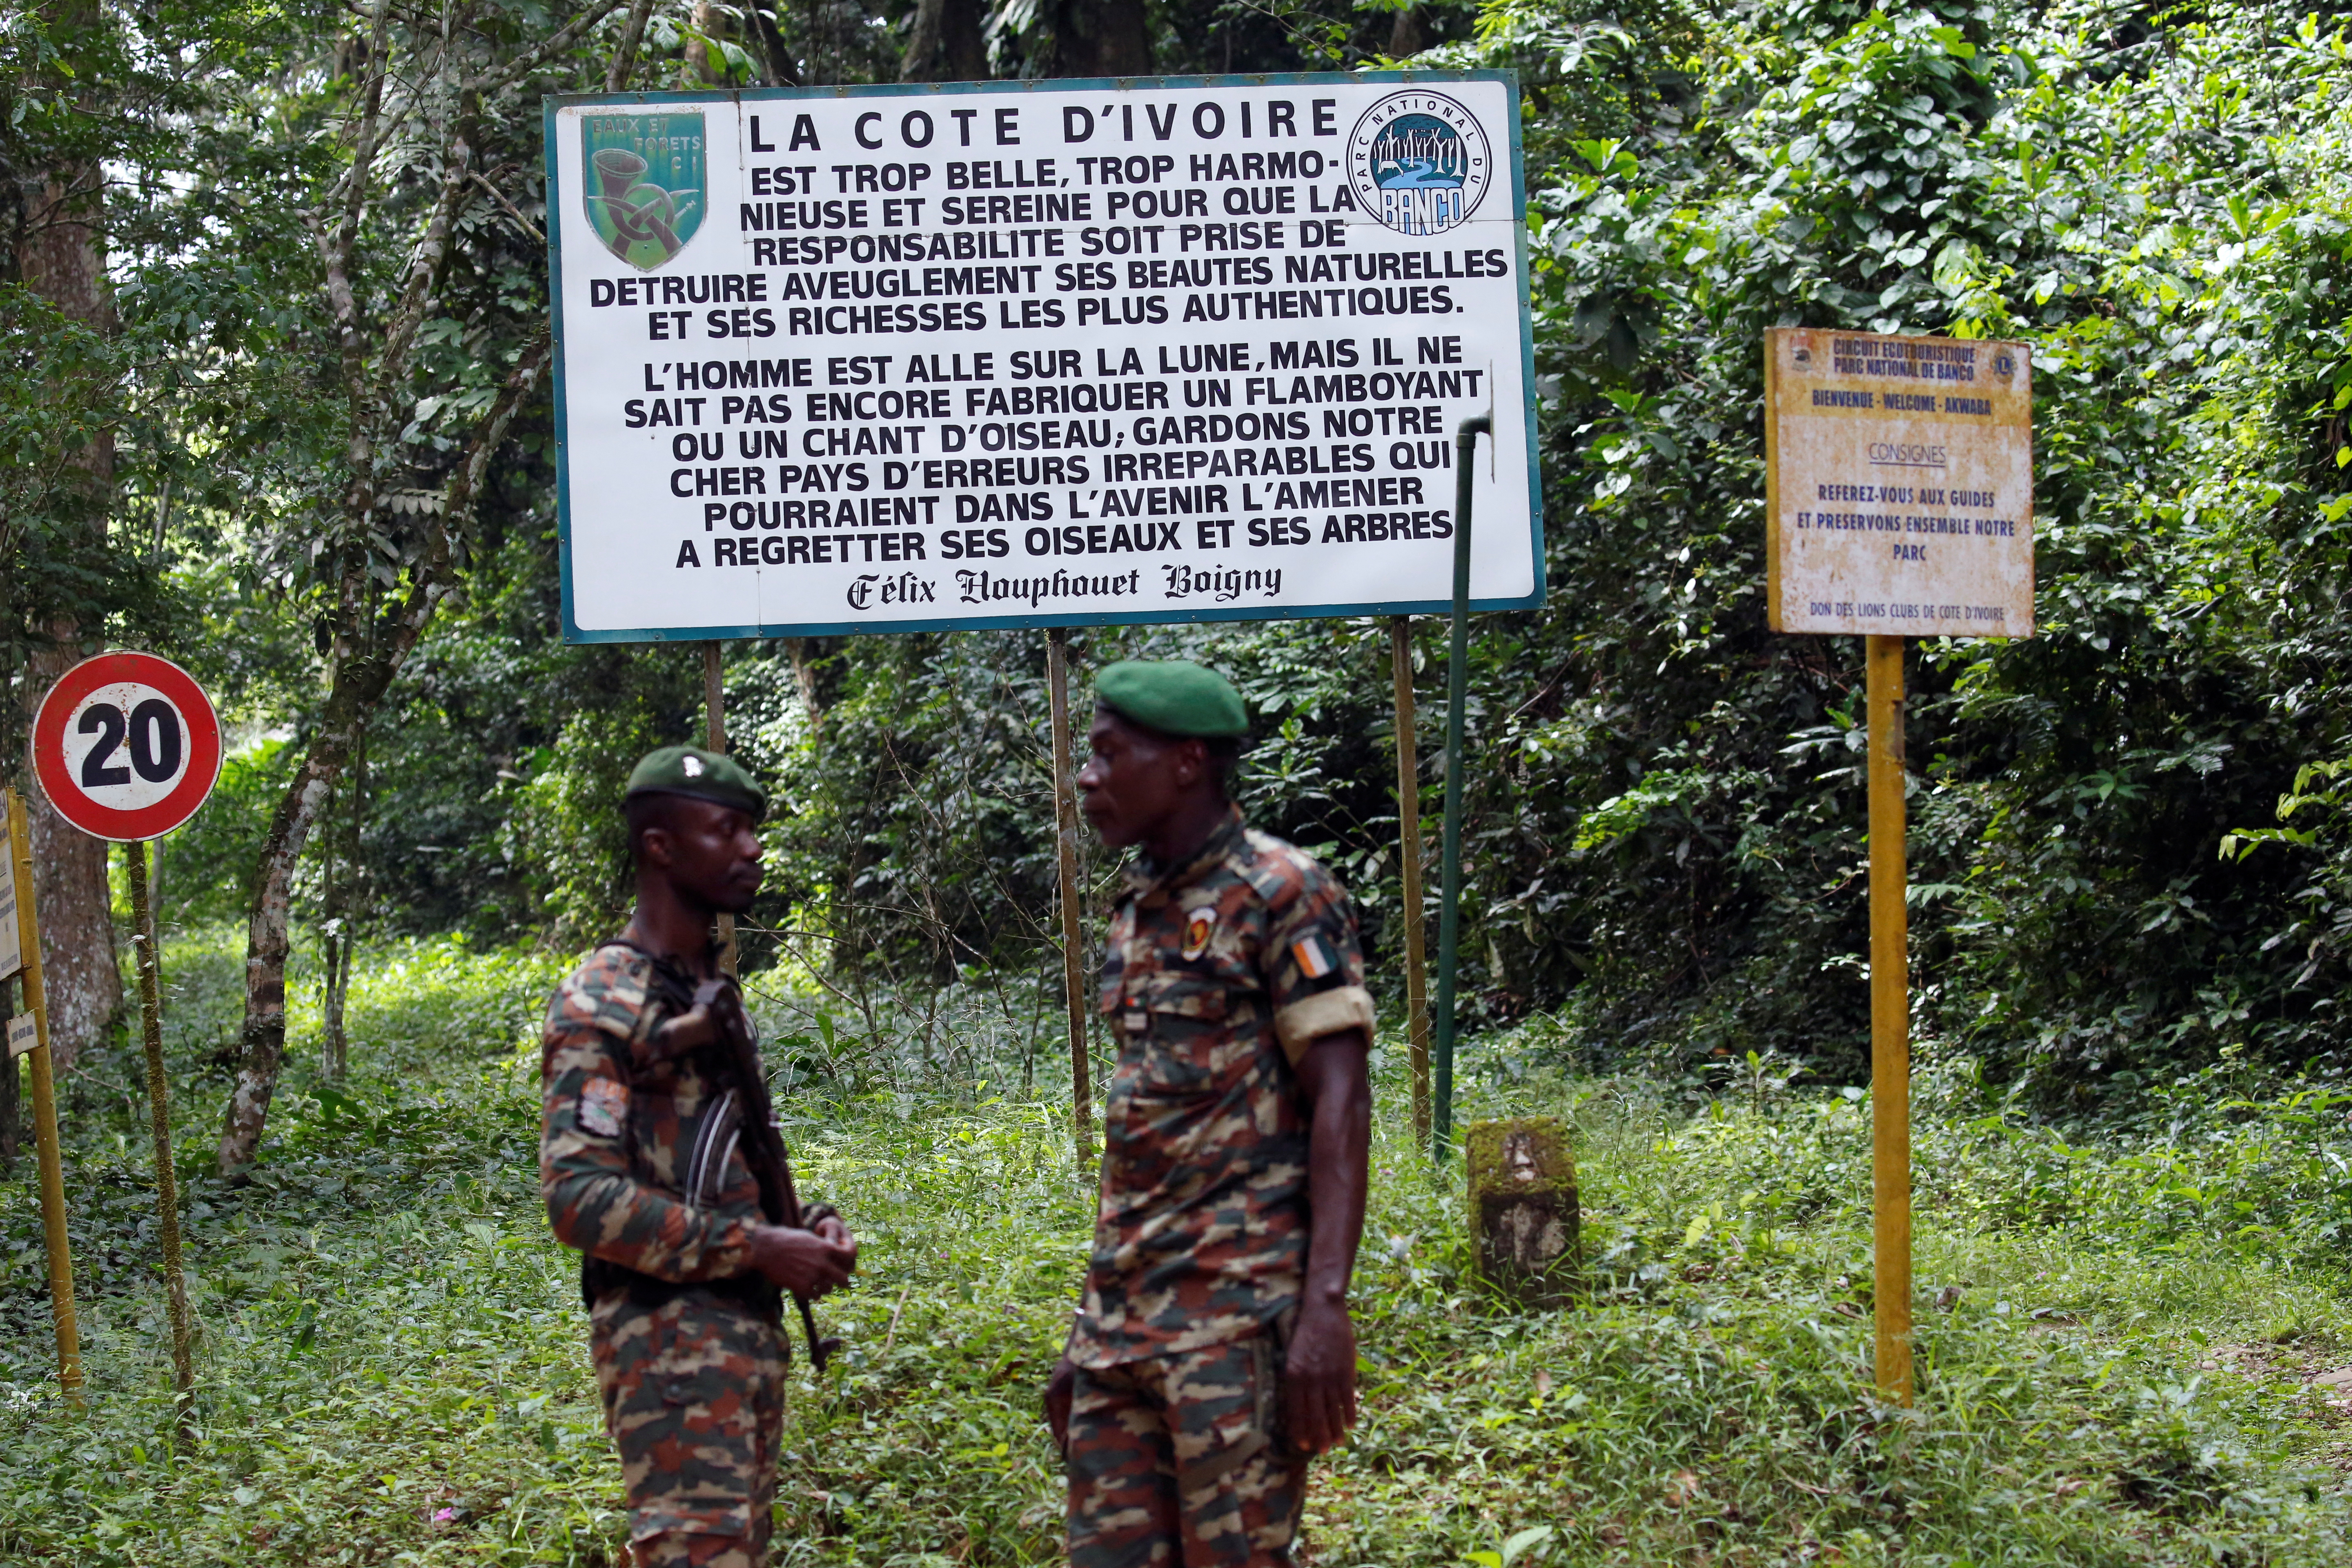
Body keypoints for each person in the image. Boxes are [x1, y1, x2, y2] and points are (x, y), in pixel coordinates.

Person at [1045, 659, 1376, 1568]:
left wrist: (1325, 1311)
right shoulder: (1136, 913)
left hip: (1236, 1329)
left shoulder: (1284, 892)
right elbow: (1140, 1139)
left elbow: (1341, 1101)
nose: (1088, 776)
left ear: (1187, 762)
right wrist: (1089, 1323)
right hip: (1124, 1336)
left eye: (1110, 755)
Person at [540, 745, 858, 1568]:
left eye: (753, 831)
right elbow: (577, 1198)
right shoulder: (603, 997)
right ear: (661, 846)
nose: (752, 849)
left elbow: (720, 1154)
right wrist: (755, 1245)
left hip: (743, 1333)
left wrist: (807, 1225)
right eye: (728, 831)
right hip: (668, 1345)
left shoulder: (709, 989)